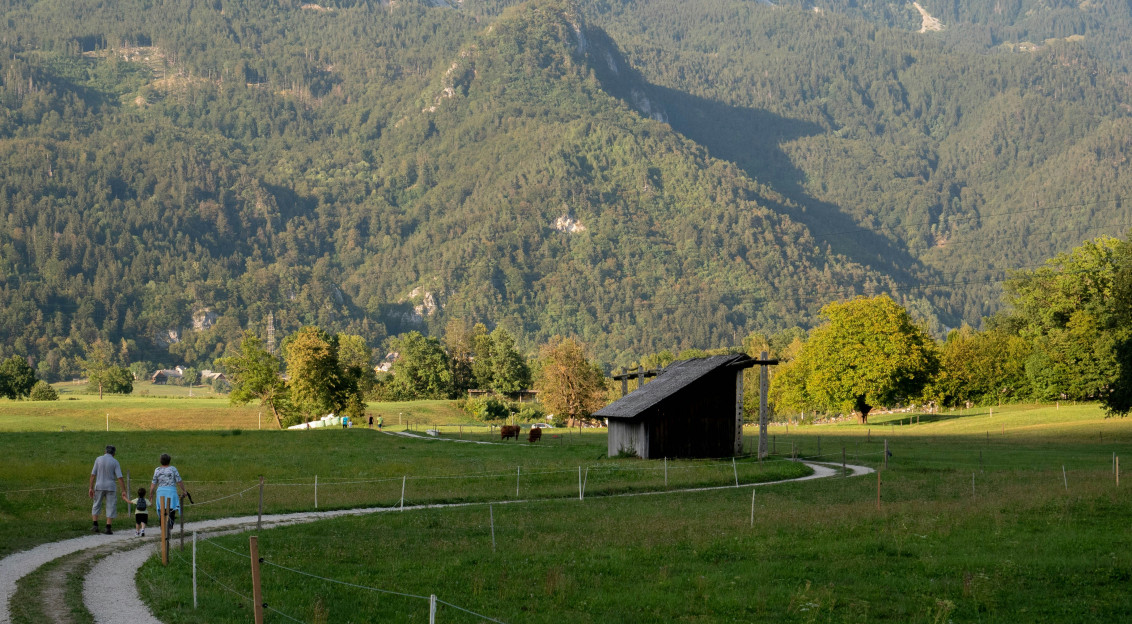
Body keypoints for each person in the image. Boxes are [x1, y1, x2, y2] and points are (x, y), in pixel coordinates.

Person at [89, 445, 130, 535]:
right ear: (114, 453)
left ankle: (95, 524)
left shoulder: (98, 459)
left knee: (96, 504)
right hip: (110, 487)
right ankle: (108, 527)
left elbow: (93, 475)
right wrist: (123, 490)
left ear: (105, 451)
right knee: (111, 505)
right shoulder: (115, 462)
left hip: (99, 485)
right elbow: (120, 477)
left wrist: (91, 488)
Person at [149, 453, 188, 531]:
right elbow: (179, 481)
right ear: (169, 461)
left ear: (160, 461)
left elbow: (153, 483)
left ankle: (162, 525)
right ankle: (170, 525)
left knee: (162, 509)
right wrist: (184, 491)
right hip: (171, 492)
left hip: (161, 492)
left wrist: (151, 494)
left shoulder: (157, 470)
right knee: (171, 509)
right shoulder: (173, 469)